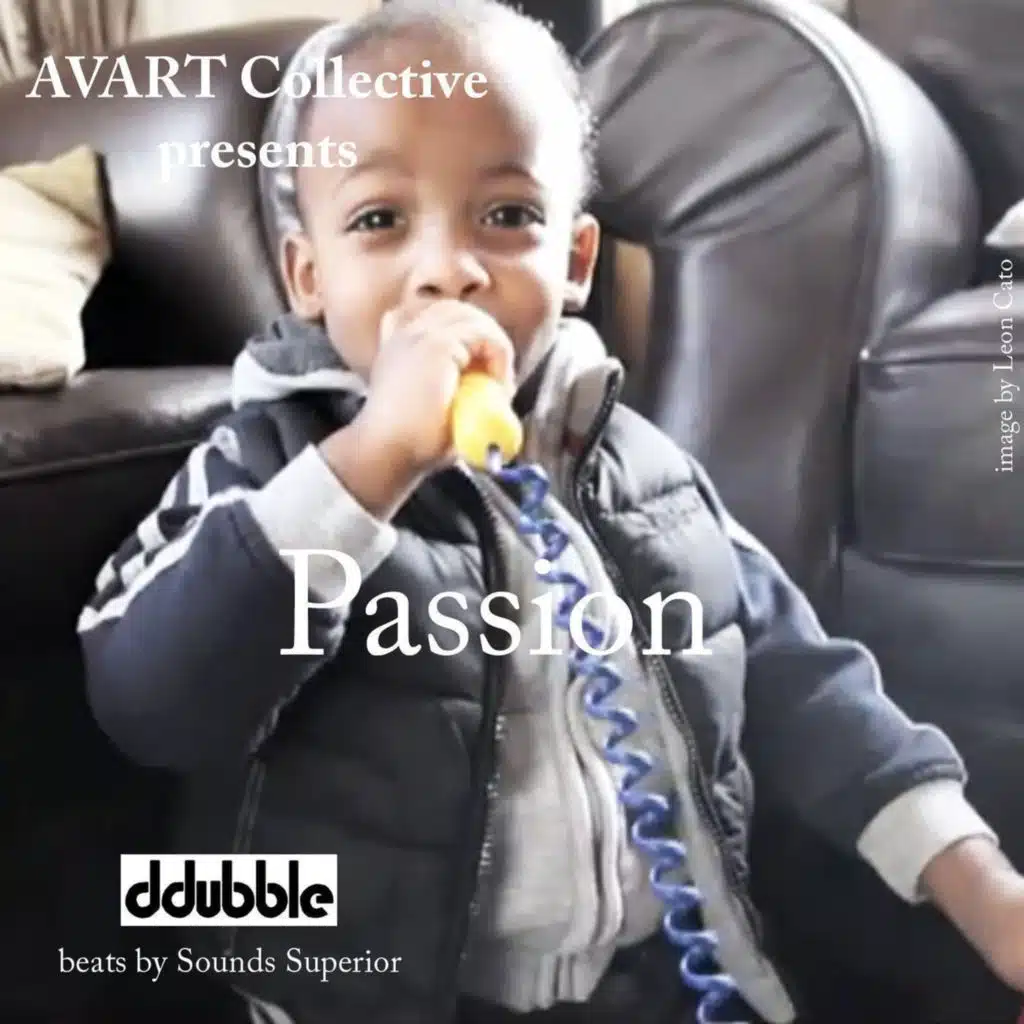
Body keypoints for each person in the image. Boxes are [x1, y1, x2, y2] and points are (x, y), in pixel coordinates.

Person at [77, 2, 1024, 1023]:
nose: (449, 268)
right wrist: (368, 467)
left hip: (652, 985)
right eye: (379, 220)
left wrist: (981, 883)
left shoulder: (650, 475)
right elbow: (152, 702)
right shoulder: (264, 471)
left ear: (575, 262)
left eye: (506, 215)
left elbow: (806, 683)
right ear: (310, 277)